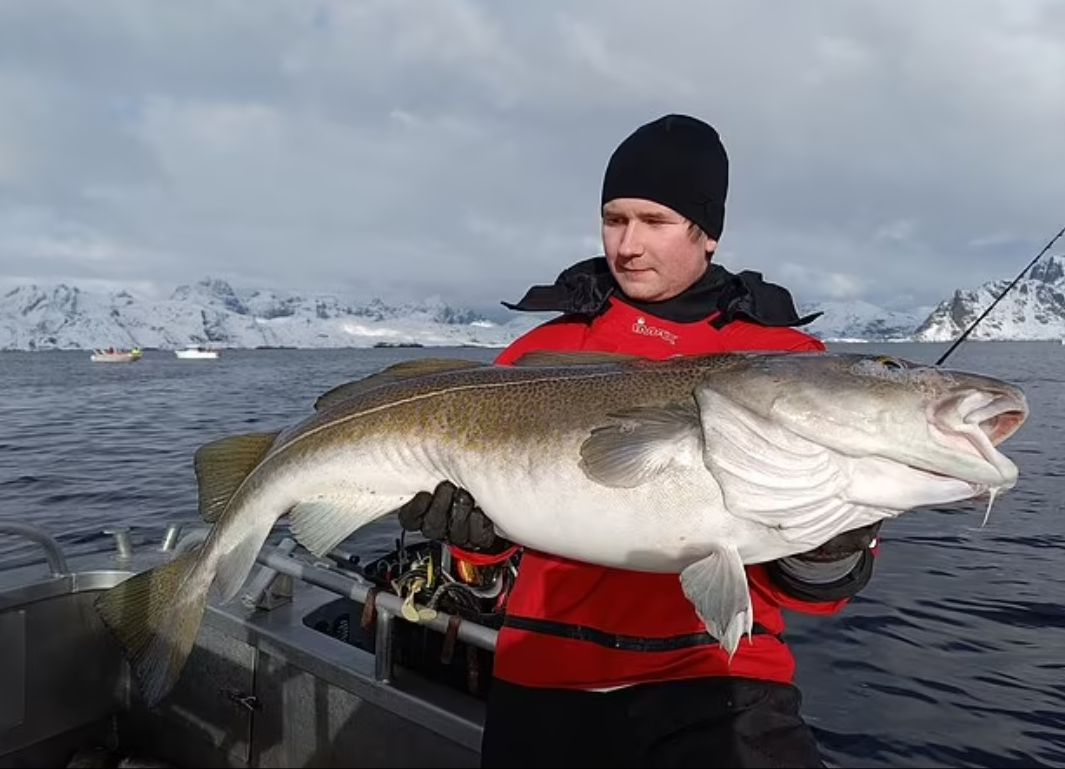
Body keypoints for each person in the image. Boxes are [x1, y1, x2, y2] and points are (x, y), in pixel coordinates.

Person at [398, 114, 880, 768]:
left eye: (653, 221)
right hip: (544, 681)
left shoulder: (786, 362)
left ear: (707, 232)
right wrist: (473, 541)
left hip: (722, 683)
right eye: (613, 218)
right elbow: (488, 562)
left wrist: (833, 542)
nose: (626, 243)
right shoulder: (542, 353)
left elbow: (814, 591)